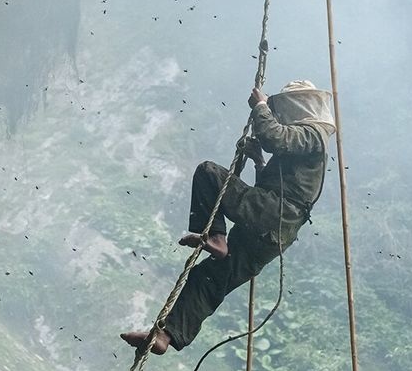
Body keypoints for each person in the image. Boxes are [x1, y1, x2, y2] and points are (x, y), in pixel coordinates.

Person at [121, 80, 335, 355]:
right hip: (276, 233)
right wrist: (258, 161)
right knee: (210, 277)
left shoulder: (313, 134)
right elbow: (280, 186)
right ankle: (166, 335)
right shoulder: (306, 146)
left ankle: (216, 237)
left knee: (208, 173)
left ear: (302, 106)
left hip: (274, 213)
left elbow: (275, 137)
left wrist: (260, 106)